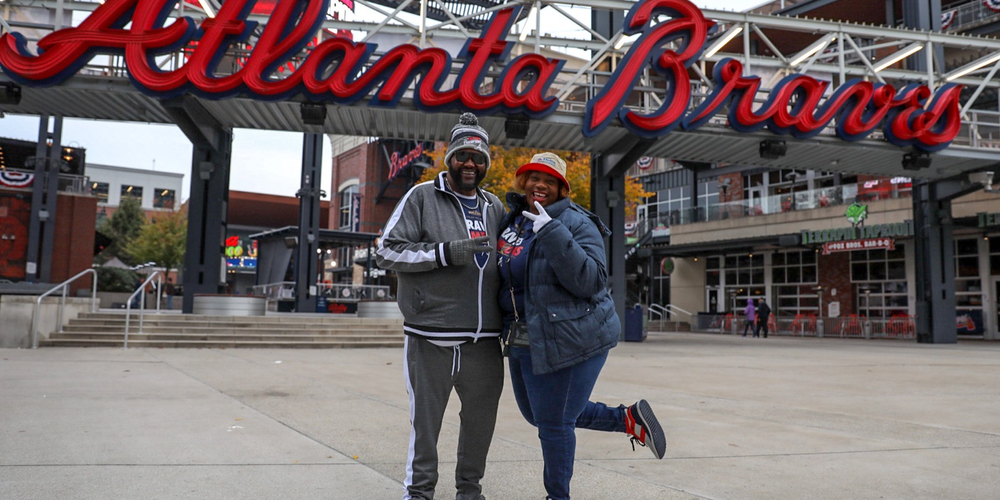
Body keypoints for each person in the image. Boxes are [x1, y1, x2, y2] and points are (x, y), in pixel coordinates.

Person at [496, 152, 666, 500]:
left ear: (561, 188)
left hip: (573, 335)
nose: (539, 185)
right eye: (533, 178)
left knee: (554, 424)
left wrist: (552, 232)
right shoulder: (514, 220)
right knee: (539, 416)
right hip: (524, 336)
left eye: (549, 180)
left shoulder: (576, 223)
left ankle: (557, 496)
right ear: (523, 183)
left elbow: (591, 281)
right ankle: (627, 419)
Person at [375, 113, 506, 500]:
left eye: (479, 157)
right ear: (450, 157)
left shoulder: (494, 206)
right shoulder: (421, 197)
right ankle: (419, 491)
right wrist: (443, 253)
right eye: (464, 154)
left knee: (481, 424)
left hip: (485, 342)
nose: (471, 163)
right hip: (430, 336)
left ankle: (470, 490)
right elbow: (385, 251)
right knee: (426, 425)